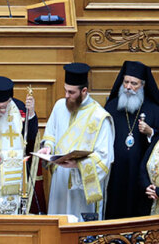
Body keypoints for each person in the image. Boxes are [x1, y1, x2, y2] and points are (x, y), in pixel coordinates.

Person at [38, 63, 114, 221]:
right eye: (65, 90)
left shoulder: (99, 117)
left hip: (81, 188)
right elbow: (51, 134)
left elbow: (104, 159)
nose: (66, 95)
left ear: (84, 91)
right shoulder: (59, 106)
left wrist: (77, 164)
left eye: (71, 92)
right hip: (59, 182)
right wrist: (47, 147)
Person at [103, 61, 159, 219]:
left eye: (134, 83)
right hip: (115, 173)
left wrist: (151, 131)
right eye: (126, 82)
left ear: (143, 85)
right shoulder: (111, 107)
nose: (128, 87)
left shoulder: (155, 111)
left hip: (140, 174)